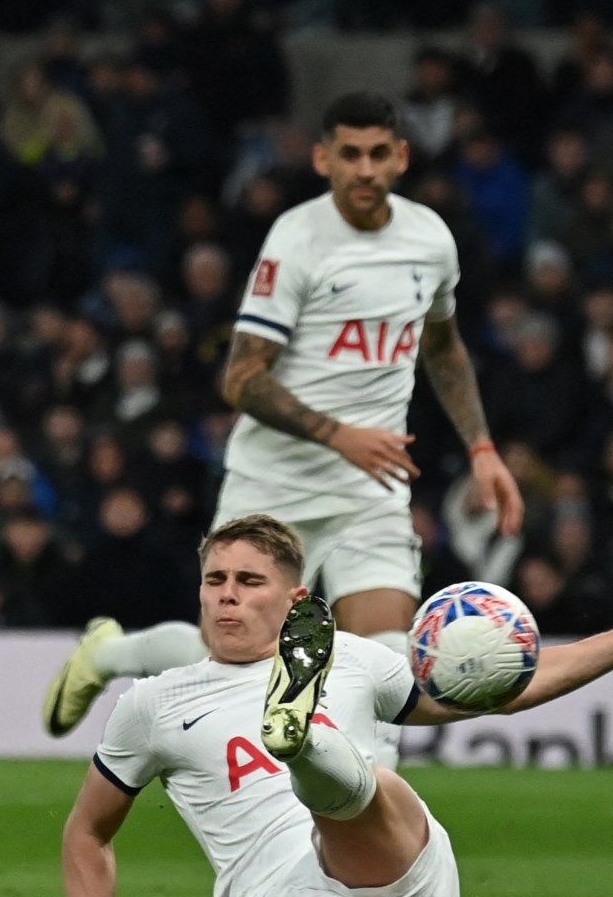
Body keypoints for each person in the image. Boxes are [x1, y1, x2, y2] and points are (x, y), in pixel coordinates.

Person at [44, 91, 524, 747]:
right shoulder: (296, 240)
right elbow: (240, 377)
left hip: (371, 489)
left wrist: (483, 449)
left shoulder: (430, 240)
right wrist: (338, 434)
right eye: (349, 155)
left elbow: (442, 347)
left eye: (378, 154)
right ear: (324, 158)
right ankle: (106, 656)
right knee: (232, 663)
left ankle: (366, 844)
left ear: (401, 158)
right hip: (275, 482)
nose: (364, 170)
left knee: (384, 674)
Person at [61, 514, 613, 897]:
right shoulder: (154, 704)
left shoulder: (355, 658)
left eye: (250, 581)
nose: (227, 595)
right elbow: (88, 832)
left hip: (393, 857)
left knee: (371, 785)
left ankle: (301, 741)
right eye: (215, 580)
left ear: (296, 601)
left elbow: (503, 692)